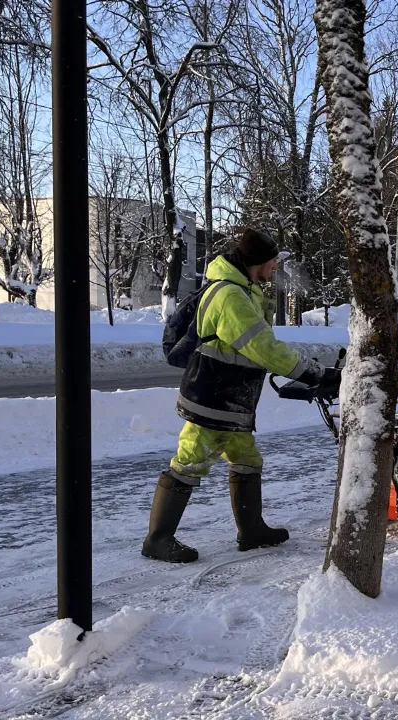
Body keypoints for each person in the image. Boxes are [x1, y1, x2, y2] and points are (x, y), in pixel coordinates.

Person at [142, 228, 332, 564]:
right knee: (189, 462)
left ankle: (252, 530)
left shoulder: (245, 290)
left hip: (230, 398)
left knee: (247, 459)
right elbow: (264, 349)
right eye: (272, 260)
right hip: (213, 397)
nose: (276, 265)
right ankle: (158, 539)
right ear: (257, 262)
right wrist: (313, 372)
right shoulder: (231, 298)